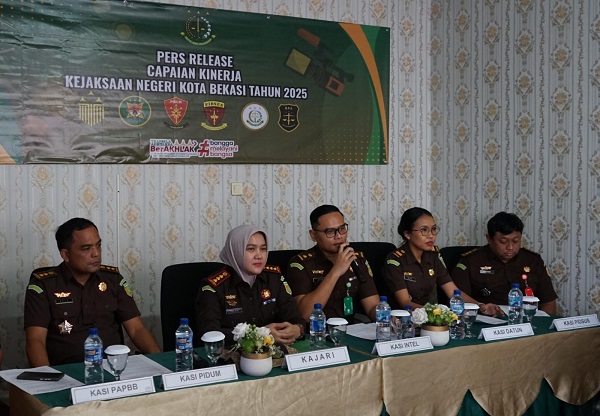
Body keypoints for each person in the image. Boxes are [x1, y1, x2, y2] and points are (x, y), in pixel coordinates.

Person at [24, 218, 160, 367]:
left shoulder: (113, 280)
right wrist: (47, 377)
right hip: (65, 372)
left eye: (98, 245)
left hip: (113, 368)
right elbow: (35, 341)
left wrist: (162, 364)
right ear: (66, 255)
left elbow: (136, 330)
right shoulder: (43, 285)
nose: (96, 253)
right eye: (86, 248)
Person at [196, 225, 304, 345]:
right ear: (236, 251)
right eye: (251, 249)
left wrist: (298, 328)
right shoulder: (214, 286)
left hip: (273, 351)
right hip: (232, 352)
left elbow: (293, 316)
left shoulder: (274, 278)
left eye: (263, 249)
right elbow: (209, 332)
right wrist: (259, 335)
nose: (259, 256)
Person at [382, 207, 501, 316]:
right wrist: (439, 314)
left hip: (430, 318)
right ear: (407, 234)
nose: (431, 235)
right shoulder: (395, 260)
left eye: (434, 229)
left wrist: (481, 306)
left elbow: (453, 292)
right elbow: (405, 303)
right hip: (402, 320)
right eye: (424, 230)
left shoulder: (433, 256)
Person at [287, 205, 380, 323]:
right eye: (330, 232)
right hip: (317, 330)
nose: (339, 236)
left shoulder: (356, 259)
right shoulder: (300, 263)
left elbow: (371, 306)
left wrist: (386, 316)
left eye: (342, 228)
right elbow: (304, 315)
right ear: (313, 235)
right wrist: (335, 272)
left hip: (350, 328)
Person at [452, 212, 558, 314]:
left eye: (515, 241)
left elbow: (549, 302)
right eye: (503, 242)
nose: (510, 247)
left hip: (525, 320)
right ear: (489, 239)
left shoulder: (533, 261)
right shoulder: (471, 262)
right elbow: (458, 300)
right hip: (486, 320)